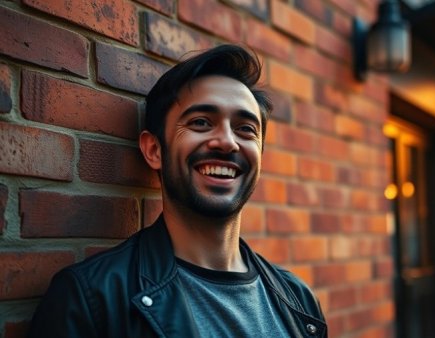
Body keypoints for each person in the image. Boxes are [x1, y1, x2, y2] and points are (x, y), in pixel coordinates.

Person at [28, 44, 327, 338]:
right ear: (155, 150)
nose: (227, 142)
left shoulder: (300, 300)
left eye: (245, 128)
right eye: (200, 122)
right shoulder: (90, 300)